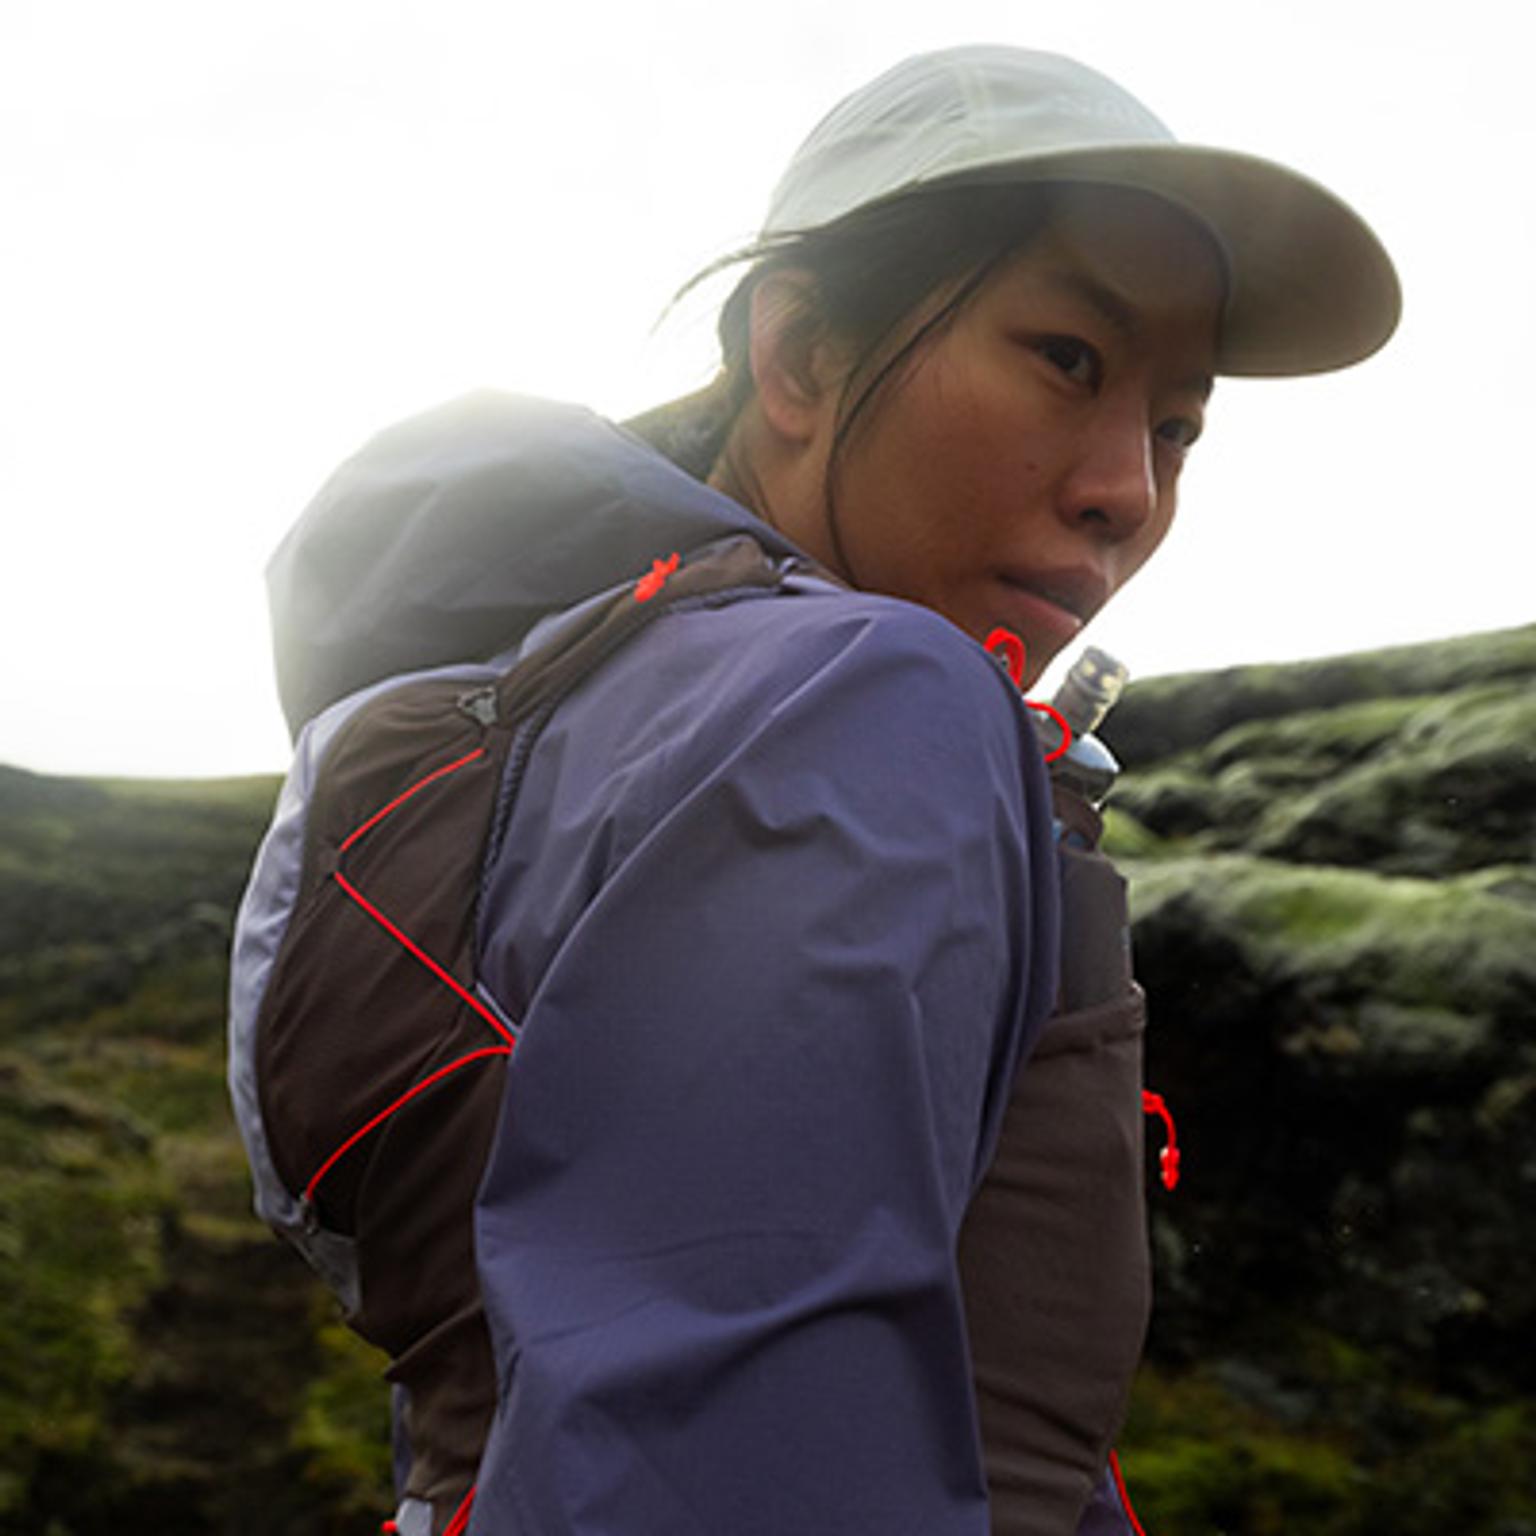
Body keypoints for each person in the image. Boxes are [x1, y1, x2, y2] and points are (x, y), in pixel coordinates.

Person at [230, 45, 1400, 1536]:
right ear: (797, 358)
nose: (1128, 487)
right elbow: (735, 1464)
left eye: (1177, 426)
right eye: (1068, 358)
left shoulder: (520, 708)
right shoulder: (860, 696)